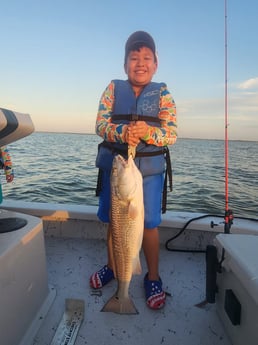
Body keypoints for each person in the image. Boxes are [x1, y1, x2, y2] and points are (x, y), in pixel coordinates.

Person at [90, 31, 177, 310]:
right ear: (125, 63)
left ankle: (152, 276)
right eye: (134, 57)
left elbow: (171, 134)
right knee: (116, 224)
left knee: (149, 224)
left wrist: (148, 132)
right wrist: (121, 131)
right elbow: (100, 125)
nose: (140, 63)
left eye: (146, 58)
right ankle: (112, 267)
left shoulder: (162, 93)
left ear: (155, 64)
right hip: (117, 171)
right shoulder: (113, 90)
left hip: (148, 173)